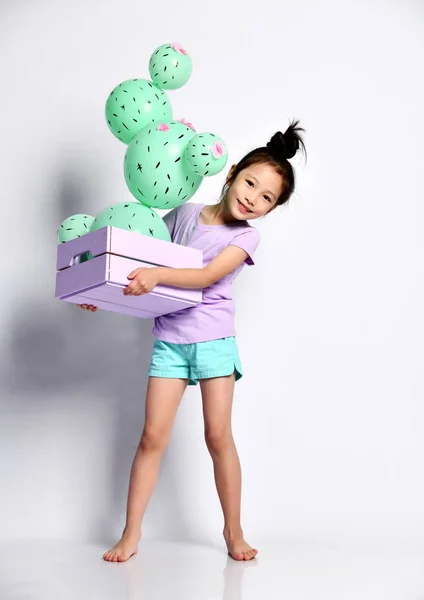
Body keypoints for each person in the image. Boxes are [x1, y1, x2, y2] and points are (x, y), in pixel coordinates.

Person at [78, 119, 307, 562]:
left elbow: (203, 277)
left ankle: (233, 533)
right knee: (151, 437)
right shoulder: (182, 214)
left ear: (271, 210)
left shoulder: (245, 237)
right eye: (250, 183)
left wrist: (159, 275)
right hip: (170, 339)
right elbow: (139, 256)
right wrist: (97, 292)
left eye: (266, 198)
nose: (252, 199)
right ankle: (131, 535)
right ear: (233, 171)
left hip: (214, 341)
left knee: (218, 436)